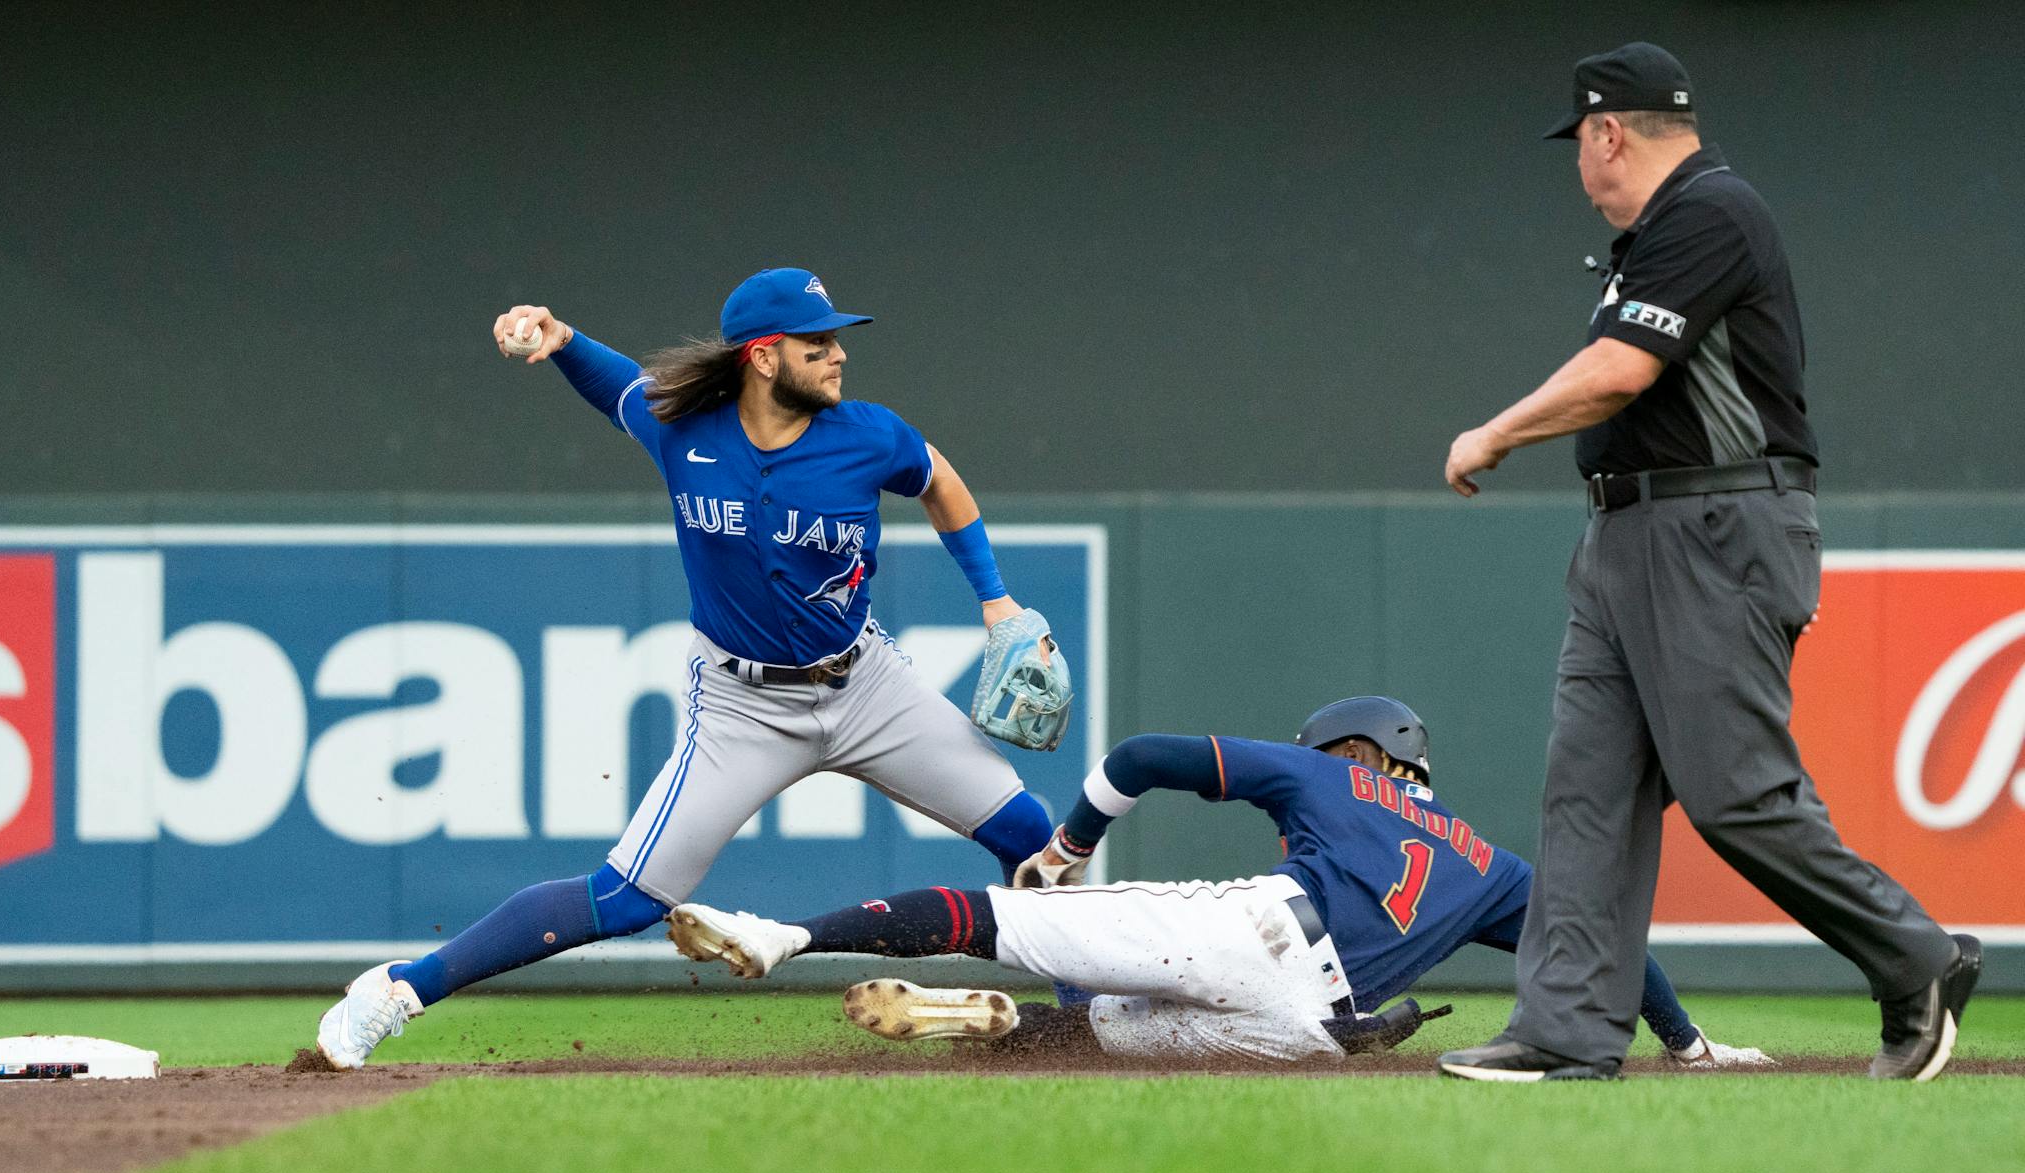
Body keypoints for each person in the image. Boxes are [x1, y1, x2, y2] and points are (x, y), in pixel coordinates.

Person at [315, 268, 1062, 1069]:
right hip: (743, 705)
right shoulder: (686, 431)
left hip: (865, 680)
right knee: (625, 897)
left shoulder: (869, 435)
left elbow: (940, 480)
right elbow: (619, 390)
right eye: (819, 343)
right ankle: (397, 989)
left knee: (1029, 834)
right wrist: (561, 339)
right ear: (765, 358)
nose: (839, 355)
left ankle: (1087, 1011)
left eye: (838, 337)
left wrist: (997, 600)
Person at [1437, 43, 1978, 1083]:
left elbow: (1619, 372)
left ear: (1608, 133)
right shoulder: (1656, 235)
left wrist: (1494, 434)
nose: (1579, 168)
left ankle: (1916, 957)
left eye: (1580, 144)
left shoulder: (1709, 211)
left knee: (1736, 793)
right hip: (1626, 537)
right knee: (1587, 789)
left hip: (1714, 530)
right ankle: (1564, 1030)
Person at [668, 697, 1768, 1067]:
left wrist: (1071, 844)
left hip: (1260, 932)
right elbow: (1606, 948)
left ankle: (785, 938)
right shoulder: (1494, 867)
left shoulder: (1329, 775)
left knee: (1007, 913)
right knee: (1091, 1038)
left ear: (1365, 755)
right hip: (1309, 1029)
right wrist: (1686, 1042)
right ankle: (980, 1020)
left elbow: (1143, 755)